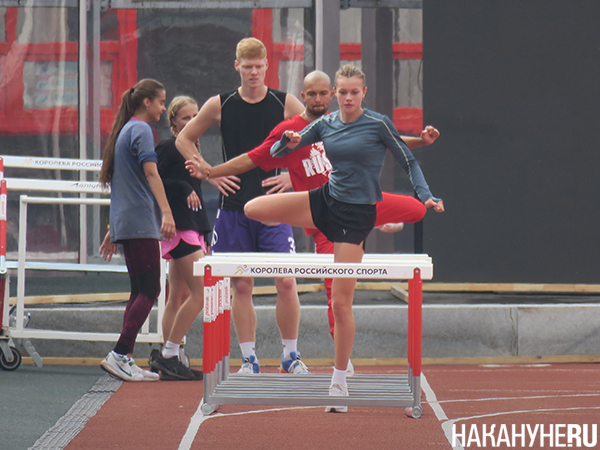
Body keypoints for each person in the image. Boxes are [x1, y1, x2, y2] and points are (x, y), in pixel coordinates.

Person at [188, 70, 440, 376]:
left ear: (334, 93)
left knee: (414, 210)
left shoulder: (348, 123)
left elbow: (390, 142)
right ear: (303, 97)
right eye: (314, 94)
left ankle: (372, 219)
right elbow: (256, 157)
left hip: (358, 207)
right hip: (322, 214)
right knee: (336, 294)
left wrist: (421, 142)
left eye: (325, 93)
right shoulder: (296, 129)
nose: (320, 99)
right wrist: (212, 172)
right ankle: (339, 366)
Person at [243, 65, 444, 412]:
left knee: (340, 302)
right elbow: (279, 154)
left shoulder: (378, 124)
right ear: (335, 93)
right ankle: (385, 221)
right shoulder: (325, 123)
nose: (347, 98)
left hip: (356, 215)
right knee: (252, 208)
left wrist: (425, 194)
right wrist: (285, 142)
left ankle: (338, 381)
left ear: (363, 93)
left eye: (354, 92)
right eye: (342, 92)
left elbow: (409, 160)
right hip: (325, 202)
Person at [176, 37, 308, 375]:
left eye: (258, 66)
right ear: (237, 67)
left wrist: (293, 179)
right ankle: (249, 359)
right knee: (242, 285)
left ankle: (290, 355)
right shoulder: (220, 104)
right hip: (233, 206)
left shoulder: (285, 103)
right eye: (247, 66)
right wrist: (210, 175)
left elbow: (320, 140)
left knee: (287, 282)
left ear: (267, 66)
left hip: (273, 208)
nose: (253, 72)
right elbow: (183, 138)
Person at [98, 79, 175, 382]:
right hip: (140, 221)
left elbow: (122, 184)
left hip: (129, 220)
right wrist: (166, 212)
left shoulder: (125, 130)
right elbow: (150, 172)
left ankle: (125, 356)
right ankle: (119, 353)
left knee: (138, 289)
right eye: (160, 101)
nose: (163, 107)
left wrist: (113, 228)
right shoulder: (141, 130)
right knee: (150, 289)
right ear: (146, 103)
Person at [146, 96, 213, 381]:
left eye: (196, 116)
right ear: (173, 121)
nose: (192, 122)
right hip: (179, 229)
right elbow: (152, 179)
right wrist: (183, 187)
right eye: (186, 118)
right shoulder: (167, 146)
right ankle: (170, 353)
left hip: (192, 228)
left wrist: (205, 231)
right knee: (203, 292)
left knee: (179, 296)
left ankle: (170, 353)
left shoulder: (193, 147)